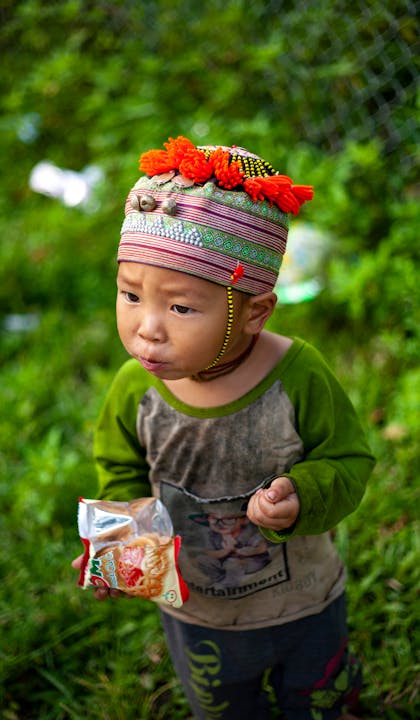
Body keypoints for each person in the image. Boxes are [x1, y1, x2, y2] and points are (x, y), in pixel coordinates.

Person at [72, 136, 375, 719]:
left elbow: (349, 460)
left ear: (255, 312)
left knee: (322, 703)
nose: (148, 330)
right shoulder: (134, 390)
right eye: (130, 295)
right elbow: (122, 471)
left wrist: (302, 495)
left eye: (182, 308)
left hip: (303, 604)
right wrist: (118, 547)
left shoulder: (299, 377)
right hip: (199, 615)